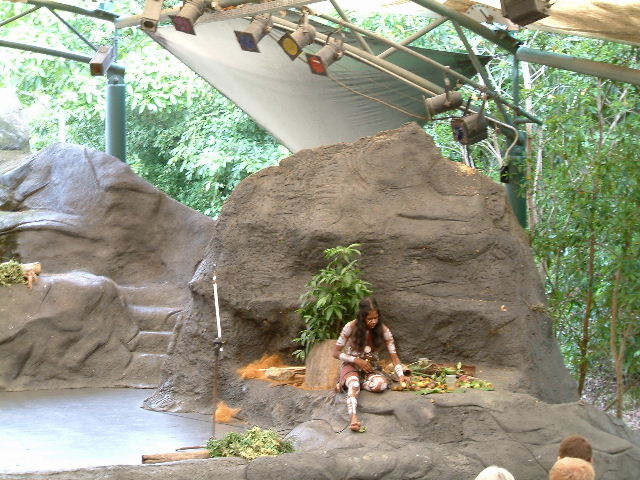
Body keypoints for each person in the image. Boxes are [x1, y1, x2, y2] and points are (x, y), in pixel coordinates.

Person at [333, 297, 410, 431]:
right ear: (362, 317)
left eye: (376, 318)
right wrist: (356, 360)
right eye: (369, 319)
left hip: (371, 368)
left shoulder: (384, 330)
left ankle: (353, 384)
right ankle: (354, 418)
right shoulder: (350, 327)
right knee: (354, 384)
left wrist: (401, 375)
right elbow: (336, 353)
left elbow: (394, 355)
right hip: (352, 366)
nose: (373, 321)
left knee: (381, 385)